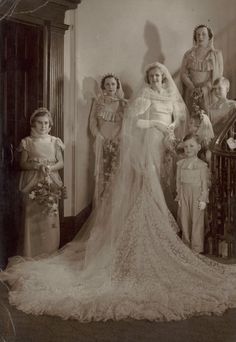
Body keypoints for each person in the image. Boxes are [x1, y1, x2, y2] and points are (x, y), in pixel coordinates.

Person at [1, 63, 236, 323]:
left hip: (165, 144)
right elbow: (135, 121)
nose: (157, 78)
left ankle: (169, 229)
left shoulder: (172, 96)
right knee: (147, 182)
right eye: (153, 76)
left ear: (164, 77)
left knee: (165, 183)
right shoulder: (144, 96)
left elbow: (178, 119)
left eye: (159, 75)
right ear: (148, 78)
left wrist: (169, 128)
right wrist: (154, 123)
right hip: (148, 142)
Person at [17, 107, 65, 257]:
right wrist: (37, 166)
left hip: (50, 180)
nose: (43, 126)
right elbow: (23, 164)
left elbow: (61, 162)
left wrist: (49, 168)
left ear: (50, 125)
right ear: (33, 124)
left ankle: (50, 251)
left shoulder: (55, 141)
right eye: (39, 123)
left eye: (46, 123)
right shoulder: (27, 142)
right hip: (32, 181)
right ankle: (31, 252)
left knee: (49, 214)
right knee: (32, 215)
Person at [89, 73, 126, 207]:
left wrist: (118, 137)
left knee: (116, 172)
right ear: (103, 87)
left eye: (113, 84)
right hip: (102, 141)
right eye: (107, 84)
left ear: (117, 86)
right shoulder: (98, 102)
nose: (110, 87)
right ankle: (102, 206)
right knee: (102, 172)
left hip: (118, 141)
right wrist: (98, 135)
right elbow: (92, 121)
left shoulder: (122, 103)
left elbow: (125, 124)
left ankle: (115, 205)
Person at [176, 134, 209, 253]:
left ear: (198, 147)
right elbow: (178, 182)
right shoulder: (180, 164)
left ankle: (197, 249)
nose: (188, 149)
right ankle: (186, 246)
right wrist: (179, 196)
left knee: (197, 221)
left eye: (191, 146)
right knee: (184, 220)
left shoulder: (202, 165)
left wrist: (203, 199)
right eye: (185, 147)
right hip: (184, 195)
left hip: (197, 196)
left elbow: (204, 184)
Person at [181, 24, 223, 112]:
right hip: (191, 92)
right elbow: (183, 74)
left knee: (206, 119)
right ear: (195, 37)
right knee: (192, 119)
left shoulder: (216, 55)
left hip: (209, 93)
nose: (200, 37)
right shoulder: (188, 54)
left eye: (203, 34)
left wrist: (203, 90)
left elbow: (217, 76)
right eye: (198, 34)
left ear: (209, 37)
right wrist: (192, 87)